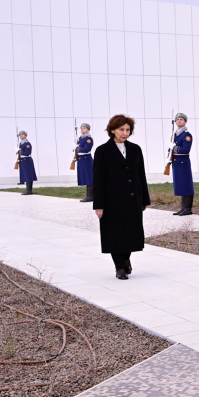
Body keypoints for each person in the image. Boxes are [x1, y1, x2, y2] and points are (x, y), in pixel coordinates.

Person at [92, 115, 151, 280]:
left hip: (133, 199)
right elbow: (98, 179)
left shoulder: (135, 149)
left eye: (128, 130)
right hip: (112, 201)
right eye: (121, 130)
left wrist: (144, 199)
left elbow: (141, 176)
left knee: (131, 233)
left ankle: (126, 258)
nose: (125, 133)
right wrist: (99, 204)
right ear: (112, 130)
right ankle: (119, 267)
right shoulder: (102, 151)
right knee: (115, 234)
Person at [170, 112, 195, 216]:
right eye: (177, 119)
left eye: (181, 119)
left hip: (183, 162)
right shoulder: (175, 134)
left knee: (187, 185)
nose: (179, 120)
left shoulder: (186, 135)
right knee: (181, 185)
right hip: (176, 162)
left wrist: (174, 148)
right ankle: (183, 208)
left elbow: (186, 149)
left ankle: (188, 209)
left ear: (185, 121)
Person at [75, 123, 94, 202]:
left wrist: (78, 149)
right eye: (81, 128)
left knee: (89, 178)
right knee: (86, 179)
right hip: (81, 159)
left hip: (86, 160)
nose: (82, 129)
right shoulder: (81, 138)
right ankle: (88, 196)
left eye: (84, 128)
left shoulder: (88, 139)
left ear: (88, 129)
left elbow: (87, 149)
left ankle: (91, 196)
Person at [16, 131, 37, 195]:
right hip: (22, 160)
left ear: (25, 136)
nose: (21, 135)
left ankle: (29, 190)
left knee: (28, 176)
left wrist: (20, 151)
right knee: (25, 175)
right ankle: (27, 190)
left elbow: (27, 153)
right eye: (20, 134)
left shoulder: (27, 144)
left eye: (22, 134)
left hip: (26, 160)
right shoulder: (21, 143)